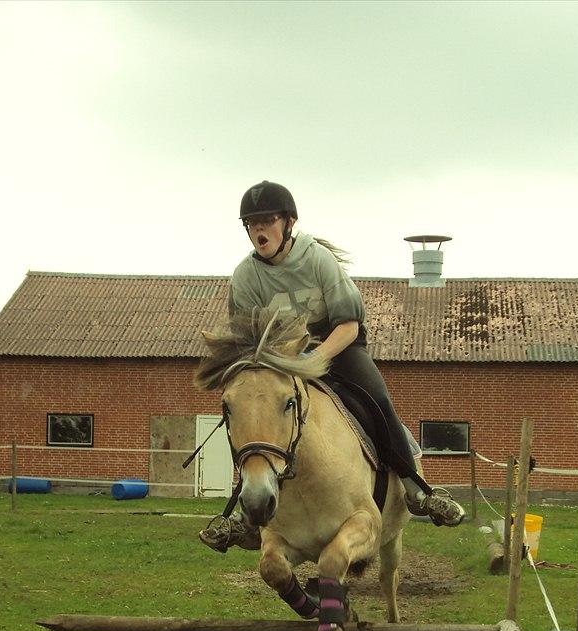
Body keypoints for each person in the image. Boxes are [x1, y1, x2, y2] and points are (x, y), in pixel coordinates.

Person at [199, 180, 465, 553]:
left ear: (288, 222)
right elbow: (248, 340)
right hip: (280, 360)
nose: (259, 230)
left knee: (377, 398)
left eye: (267, 221)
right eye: (252, 224)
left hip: (337, 348)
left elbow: (349, 323)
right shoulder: (245, 277)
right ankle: (244, 513)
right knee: (251, 413)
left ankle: (416, 489)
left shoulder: (316, 259)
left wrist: (316, 358)